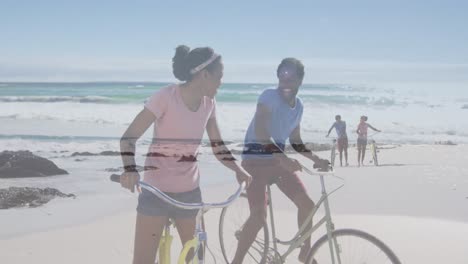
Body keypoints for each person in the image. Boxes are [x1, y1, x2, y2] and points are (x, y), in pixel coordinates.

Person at [119, 45, 252, 264]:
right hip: (156, 193)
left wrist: (238, 170)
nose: (221, 82)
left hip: (189, 194)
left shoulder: (209, 104)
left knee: (196, 258)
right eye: (219, 77)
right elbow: (128, 137)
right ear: (204, 74)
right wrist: (130, 169)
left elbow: (218, 146)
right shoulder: (166, 97)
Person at [231, 58, 329, 264]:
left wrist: (315, 158)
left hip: (276, 163)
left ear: (300, 80)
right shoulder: (269, 96)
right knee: (258, 217)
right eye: (282, 75)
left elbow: (296, 141)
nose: (285, 81)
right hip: (254, 161)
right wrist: (283, 159)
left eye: (291, 77)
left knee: (308, 205)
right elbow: (260, 132)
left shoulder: (298, 106)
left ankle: (306, 252)